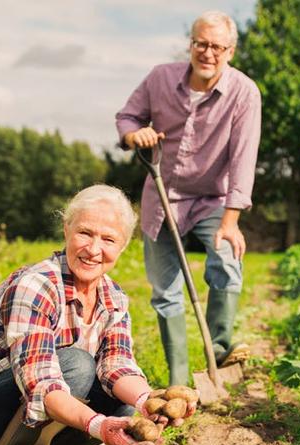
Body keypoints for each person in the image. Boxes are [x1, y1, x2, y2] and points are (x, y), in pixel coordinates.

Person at [0, 185, 195, 445]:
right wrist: (99, 426)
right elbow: (41, 381)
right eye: (85, 233)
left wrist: (148, 401)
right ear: (66, 229)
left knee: (121, 400)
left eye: (109, 239)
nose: (94, 249)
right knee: (77, 365)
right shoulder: (36, 285)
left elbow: (117, 364)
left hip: (16, 405)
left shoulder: (114, 297)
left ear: (122, 246)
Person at [115, 10, 261, 386]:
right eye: (200, 43)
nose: (207, 52)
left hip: (212, 199)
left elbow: (244, 159)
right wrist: (135, 136)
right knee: (166, 292)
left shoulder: (244, 92)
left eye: (216, 46)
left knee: (226, 260)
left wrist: (231, 222)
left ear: (230, 50)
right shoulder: (160, 78)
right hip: (162, 200)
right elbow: (128, 117)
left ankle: (221, 351)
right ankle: (180, 382)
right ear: (191, 44)